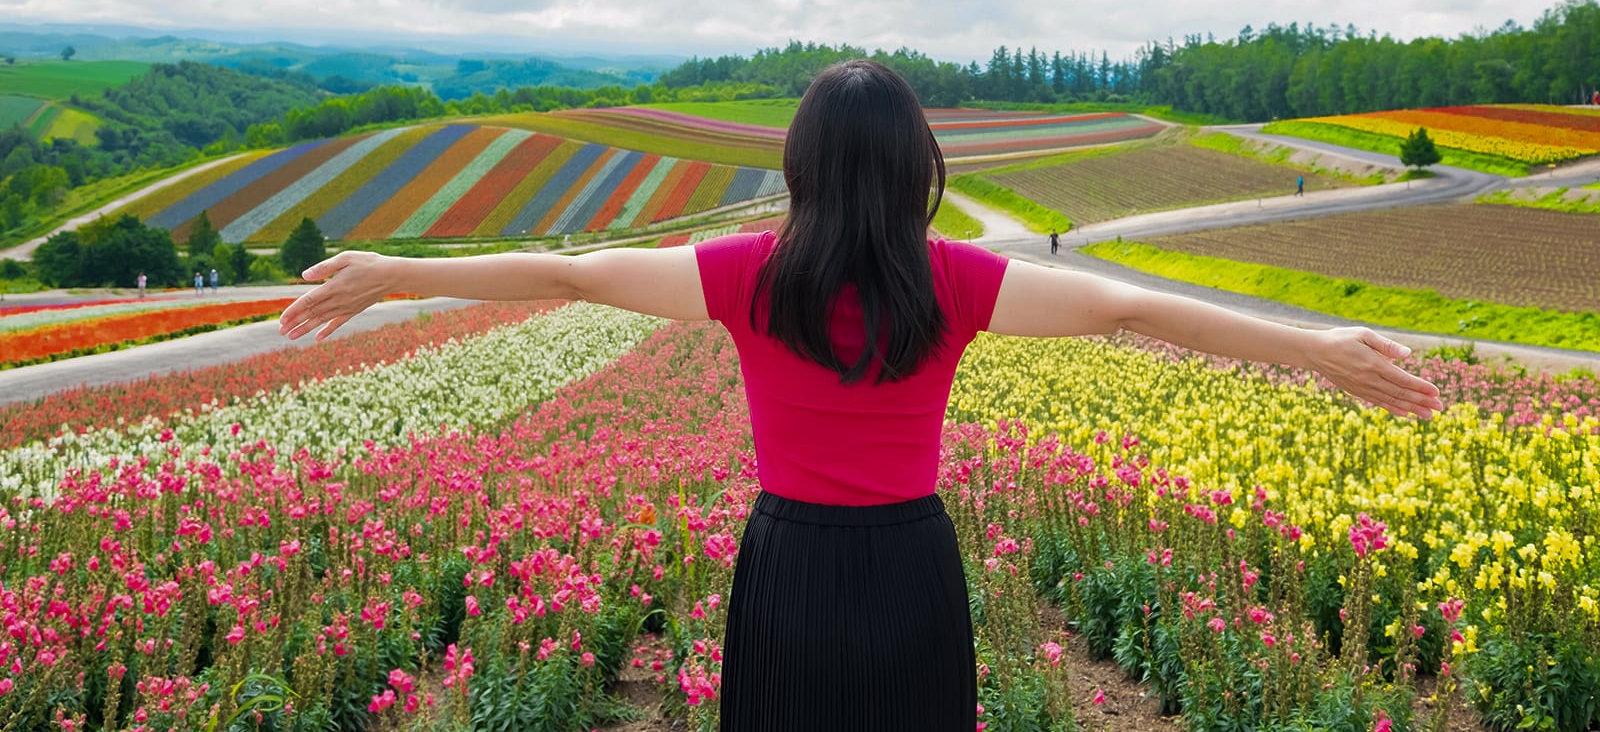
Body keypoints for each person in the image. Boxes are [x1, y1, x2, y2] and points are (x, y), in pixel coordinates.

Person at [279, 60, 1440, 731]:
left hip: (788, 559)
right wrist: (1308, 347)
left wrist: (400, 273)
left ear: (802, 162)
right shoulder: (954, 280)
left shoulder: (748, 274)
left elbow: (572, 272)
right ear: (913, 166)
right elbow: (1128, 310)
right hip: (908, 562)